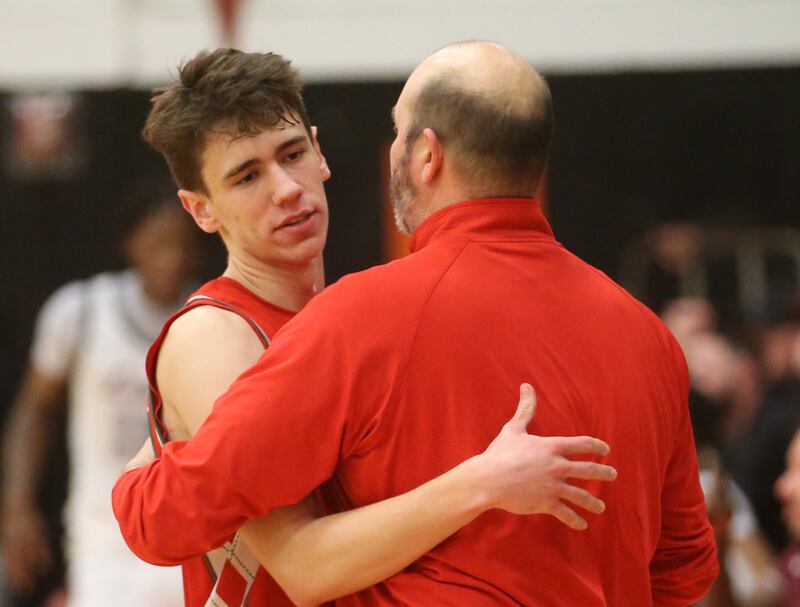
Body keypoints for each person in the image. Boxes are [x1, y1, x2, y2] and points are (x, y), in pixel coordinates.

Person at [114, 42, 718, 605]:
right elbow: (300, 567)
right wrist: (479, 483)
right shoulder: (218, 334)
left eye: (293, 154)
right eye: (246, 176)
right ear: (200, 209)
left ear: (321, 153)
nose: (284, 189)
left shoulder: (370, 315)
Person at [1, 186, 195, 606]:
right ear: (132, 242)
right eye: (160, 242)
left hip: (184, 539)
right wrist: (17, 507)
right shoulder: (82, 310)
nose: (172, 257)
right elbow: (34, 413)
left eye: (182, 244)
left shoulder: (206, 317)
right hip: (102, 541)